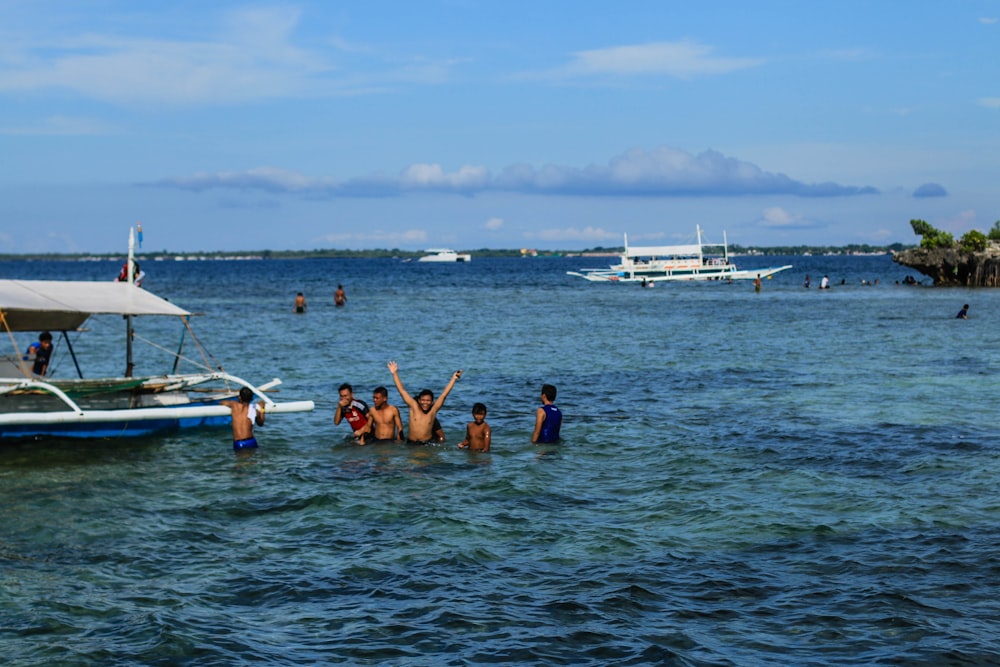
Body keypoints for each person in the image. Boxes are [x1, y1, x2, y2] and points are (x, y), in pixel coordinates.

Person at [387, 361, 461, 444]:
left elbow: (444, 395)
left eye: (428, 401)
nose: (425, 403)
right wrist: (394, 373)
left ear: (432, 402)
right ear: (419, 400)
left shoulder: (433, 411)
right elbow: (402, 391)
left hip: (426, 444)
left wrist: (453, 379)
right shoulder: (413, 407)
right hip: (411, 443)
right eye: (423, 400)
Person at [221, 387, 265, 451]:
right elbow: (261, 423)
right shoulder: (254, 409)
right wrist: (262, 409)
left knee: (241, 460)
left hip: (239, 442)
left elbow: (222, 402)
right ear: (251, 398)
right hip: (251, 441)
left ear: (240, 397)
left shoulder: (234, 405)